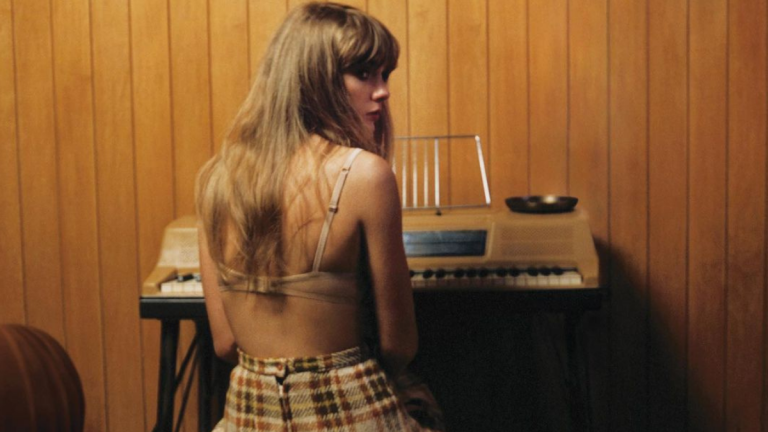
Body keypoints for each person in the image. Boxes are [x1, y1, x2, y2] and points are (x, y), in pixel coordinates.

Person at [195, 3, 443, 431]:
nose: (382, 91)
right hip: (350, 412)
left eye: (384, 75)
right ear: (315, 77)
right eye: (363, 73)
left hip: (247, 415)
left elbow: (225, 343)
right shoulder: (366, 175)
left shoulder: (215, 179)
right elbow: (399, 344)